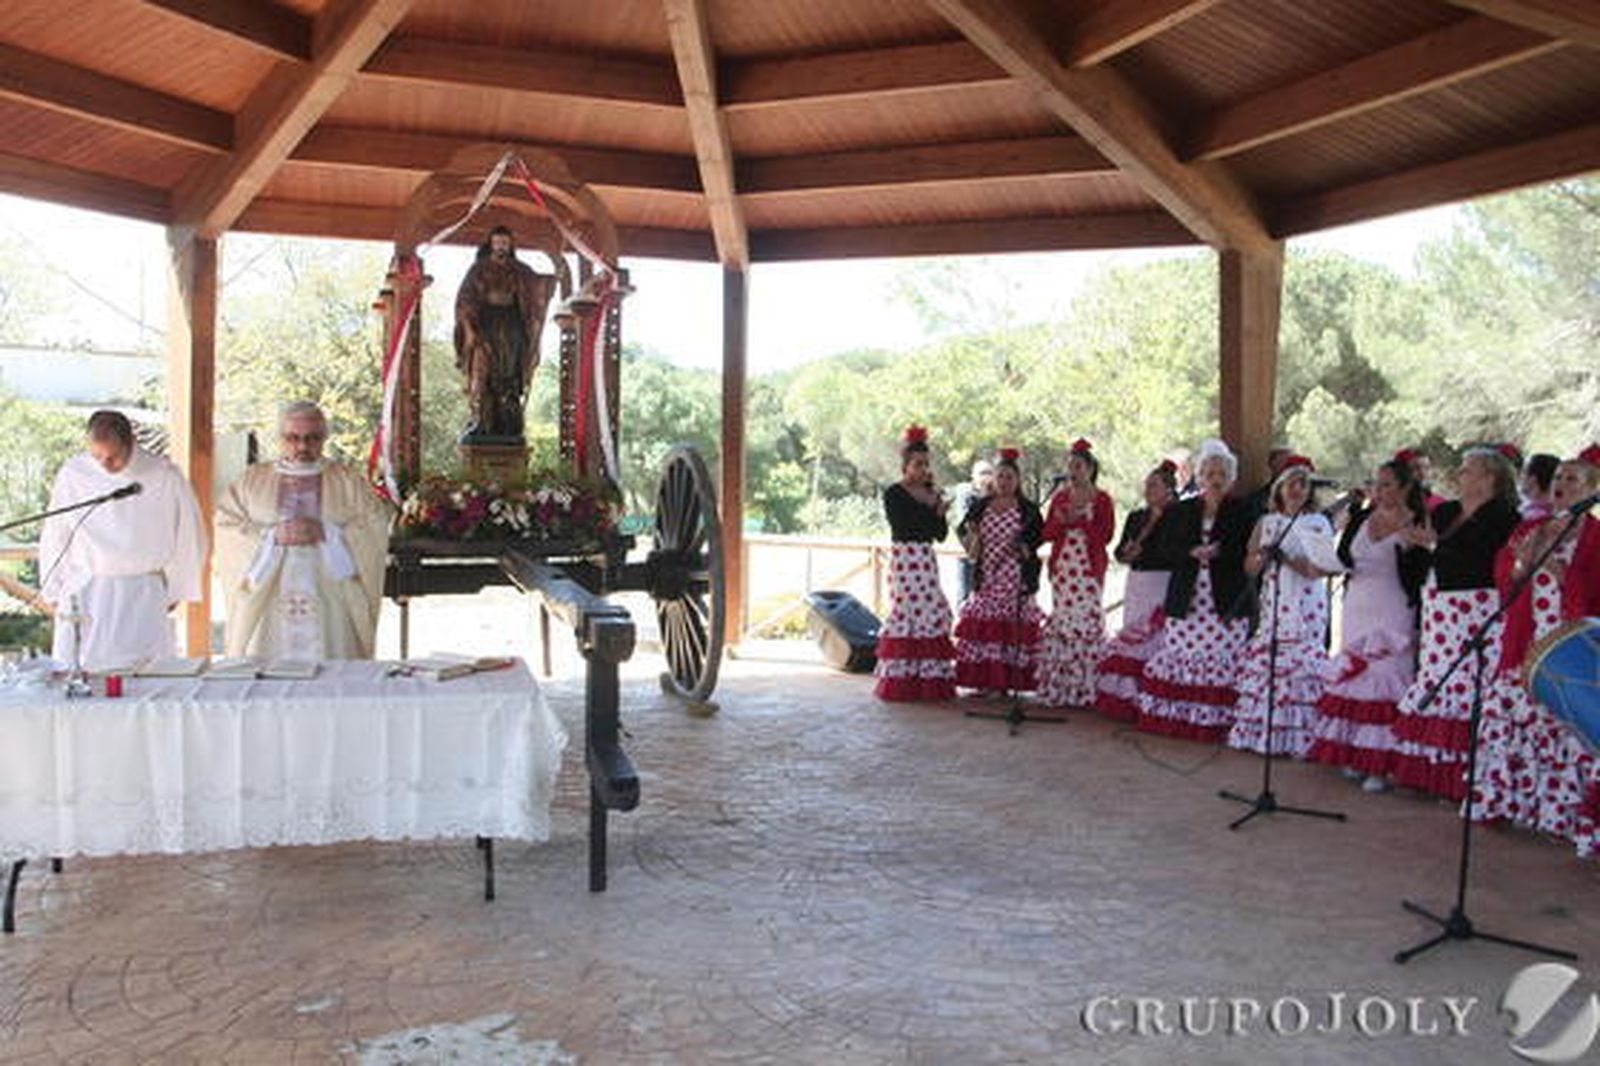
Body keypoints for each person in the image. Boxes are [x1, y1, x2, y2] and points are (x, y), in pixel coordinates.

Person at [1473, 445, 1600, 856]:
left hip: (1567, 649)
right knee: (1512, 723)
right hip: (1525, 643)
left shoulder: (1596, 538)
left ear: (1591, 489)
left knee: (1563, 735)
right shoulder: (1535, 527)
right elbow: (1504, 574)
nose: (1561, 484)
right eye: (1559, 476)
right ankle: (1506, 804)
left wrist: (1558, 571)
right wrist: (1520, 566)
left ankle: (1560, 816)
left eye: (1572, 479)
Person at [1386, 447, 1521, 800]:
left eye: (1468, 469)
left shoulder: (1504, 517)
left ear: (1489, 478)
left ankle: (1466, 775)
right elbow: (1428, 544)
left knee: (1469, 682)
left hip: (1477, 605)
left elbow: (1484, 559)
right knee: (1438, 678)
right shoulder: (1446, 511)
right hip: (1440, 604)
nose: (1460, 474)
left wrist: (1433, 546)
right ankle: (1429, 770)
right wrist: (1415, 542)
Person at [216, 402, 395, 660]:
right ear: (279, 438)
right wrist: (272, 538)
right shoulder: (251, 480)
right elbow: (226, 526)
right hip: (270, 595)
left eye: (312, 438)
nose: (302, 447)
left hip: (330, 596)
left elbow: (373, 526)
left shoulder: (348, 481)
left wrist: (329, 534)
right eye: (293, 438)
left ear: (324, 438)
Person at [38, 410, 206, 671]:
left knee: (144, 674)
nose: (105, 465)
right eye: (97, 456)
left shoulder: (163, 474)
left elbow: (188, 533)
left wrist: (177, 587)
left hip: (142, 591)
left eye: (113, 457)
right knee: (83, 672)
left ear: (131, 444)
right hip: (87, 588)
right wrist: (52, 585)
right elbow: (55, 532)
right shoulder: (74, 473)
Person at [1308, 458, 1429, 790]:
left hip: (1393, 606)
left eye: (1387, 484)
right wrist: (1326, 563)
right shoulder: (1361, 515)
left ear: (1405, 488)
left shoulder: (1417, 521)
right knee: (1357, 676)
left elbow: (1420, 574)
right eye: (1377, 483)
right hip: (1356, 604)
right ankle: (1356, 754)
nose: (1379, 490)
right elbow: (1344, 558)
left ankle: (1383, 763)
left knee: (1386, 675)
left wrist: (1416, 548)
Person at [1136, 439, 1253, 742]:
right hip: (1188, 596)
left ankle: (1217, 722)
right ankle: (1183, 718)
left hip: (1225, 597)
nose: (1215, 479)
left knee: (1220, 657)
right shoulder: (1182, 510)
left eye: (1222, 474)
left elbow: (1248, 549)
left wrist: (1220, 551)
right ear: (1199, 477)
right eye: (1210, 473)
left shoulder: (1243, 510)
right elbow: (1165, 547)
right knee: (1184, 657)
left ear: (1231, 478)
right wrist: (1191, 551)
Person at [1227, 456, 1335, 759]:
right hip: (1275, 600)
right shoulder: (1267, 522)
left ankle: (1302, 735)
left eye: (1304, 484)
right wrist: (1261, 558)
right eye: (1292, 483)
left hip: (1307, 602)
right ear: (1280, 488)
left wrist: (1285, 559)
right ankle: (1266, 733)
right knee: (1273, 660)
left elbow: (1319, 569)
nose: (1297, 489)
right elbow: (1249, 567)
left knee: (1302, 662)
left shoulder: (1319, 523)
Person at [874, 425, 956, 702]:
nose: (922, 469)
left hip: (926, 559)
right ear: (905, 466)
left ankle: (928, 679)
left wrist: (940, 513)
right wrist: (930, 508)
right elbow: (903, 525)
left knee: (930, 613)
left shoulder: (931, 493)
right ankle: (903, 679)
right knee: (908, 613)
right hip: (905, 560)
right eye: (917, 464)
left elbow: (940, 535)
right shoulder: (894, 493)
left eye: (925, 464)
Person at [454, 225, 558, 441]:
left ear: (510, 245)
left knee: (509, 375)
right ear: (491, 244)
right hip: (485, 326)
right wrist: (470, 326)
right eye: (497, 242)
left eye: (505, 242)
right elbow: (465, 299)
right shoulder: (479, 269)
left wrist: (549, 283)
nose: (501, 246)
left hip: (512, 328)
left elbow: (536, 287)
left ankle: (509, 424)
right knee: (482, 372)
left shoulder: (520, 269)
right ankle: (481, 421)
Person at [954, 448, 1044, 694]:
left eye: (1009, 477)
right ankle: (986, 680)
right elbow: (962, 530)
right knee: (987, 626)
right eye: (1000, 476)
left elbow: (1038, 537)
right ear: (994, 479)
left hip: (1015, 576)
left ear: (1018, 481)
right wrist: (973, 541)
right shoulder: (981, 506)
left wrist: (1024, 548)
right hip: (988, 573)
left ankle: (1007, 682)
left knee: (1009, 627)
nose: (1004, 482)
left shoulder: (1028, 509)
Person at [1094, 459, 1179, 721]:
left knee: (1157, 633)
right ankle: (1128, 694)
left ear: (1168, 489)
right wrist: (1128, 553)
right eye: (1147, 485)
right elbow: (1119, 551)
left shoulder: (1179, 516)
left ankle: (1154, 695)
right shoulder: (1136, 516)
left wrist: (1151, 547)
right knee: (1134, 634)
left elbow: (1177, 551)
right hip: (1138, 581)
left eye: (1154, 485)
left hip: (1163, 580)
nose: (1148, 490)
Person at [1036, 439, 1115, 709]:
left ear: (1090, 469)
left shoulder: (1102, 499)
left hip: (1089, 571)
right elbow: (1045, 534)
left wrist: (1082, 521)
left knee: (1087, 621)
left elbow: (1105, 536)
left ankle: (1087, 688)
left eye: (1079, 466)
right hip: (1063, 571)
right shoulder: (1059, 497)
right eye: (1070, 466)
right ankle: (1061, 686)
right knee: (1063, 622)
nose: (1073, 471)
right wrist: (1061, 522)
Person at [954, 459, 995, 602]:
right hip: (969, 553)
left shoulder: (997, 495)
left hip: (991, 556)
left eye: (989, 473)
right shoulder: (966, 492)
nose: (986, 476)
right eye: (982, 473)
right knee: (966, 598)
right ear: (973, 476)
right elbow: (965, 521)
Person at [1520, 452, 1560, 520]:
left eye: (1524, 472)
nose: (1520, 477)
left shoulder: (1533, 516)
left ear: (1533, 478)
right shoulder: (1556, 511)